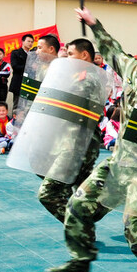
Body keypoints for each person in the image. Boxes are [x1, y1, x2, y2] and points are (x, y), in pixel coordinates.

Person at [46, 9, 137, 272]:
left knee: (135, 224)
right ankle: (81, 257)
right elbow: (112, 48)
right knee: (78, 205)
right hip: (119, 163)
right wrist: (94, 24)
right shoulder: (134, 72)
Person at [36, 39, 106, 223]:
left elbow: (74, 109)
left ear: (84, 55)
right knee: (83, 191)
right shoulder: (76, 76)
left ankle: (78, 227)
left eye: (70, 54)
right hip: (67, 141)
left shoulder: (87, 79)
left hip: (77, 145)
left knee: (48, 194)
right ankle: (106, 199)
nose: (67, 58)